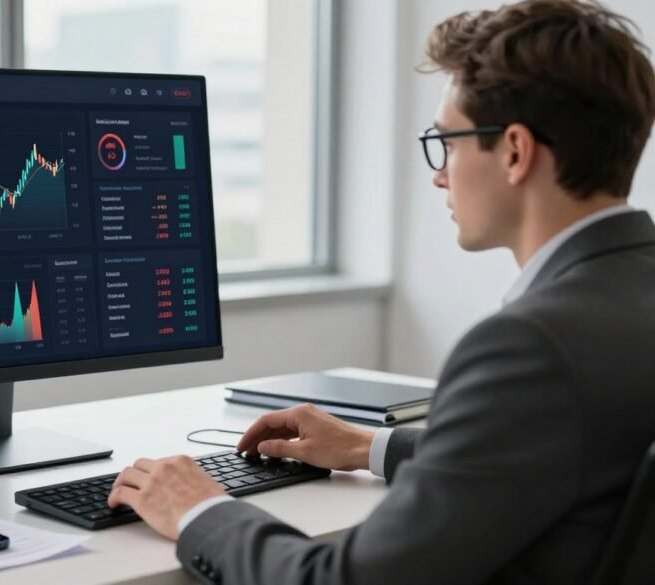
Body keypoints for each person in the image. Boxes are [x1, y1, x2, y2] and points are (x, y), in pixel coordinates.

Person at [106, 1, 655, 583]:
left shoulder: (530, 347)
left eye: (449, 141)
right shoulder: (625, 302)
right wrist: (373, 446)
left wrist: (197, 508)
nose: (439, 174)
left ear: (515, 152)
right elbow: (566, 447)